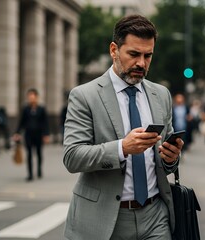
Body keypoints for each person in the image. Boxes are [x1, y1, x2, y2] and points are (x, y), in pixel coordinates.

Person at [63, 15, 183, 239]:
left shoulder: (161, 95)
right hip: (107, 219)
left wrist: (170, 158)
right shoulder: (85, 96)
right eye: (134, 54)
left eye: (148, 56)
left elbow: (163, 162)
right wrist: (122, 148)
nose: (141, 63)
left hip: (155, 215)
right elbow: (72, 157)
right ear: (113, 50)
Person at [13, 89, 50, 181]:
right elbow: (21, 122)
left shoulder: (41, 109)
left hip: (39, 134)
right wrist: (17, 133)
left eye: (33, 97)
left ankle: (39, 170)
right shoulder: (25, 109)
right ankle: (30, 174)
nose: (31, 99)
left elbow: (45, 123)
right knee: (29, 154)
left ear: (36, 97)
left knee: (38, 153)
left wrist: (46, 135)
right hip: (28, 134)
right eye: (29, 97)